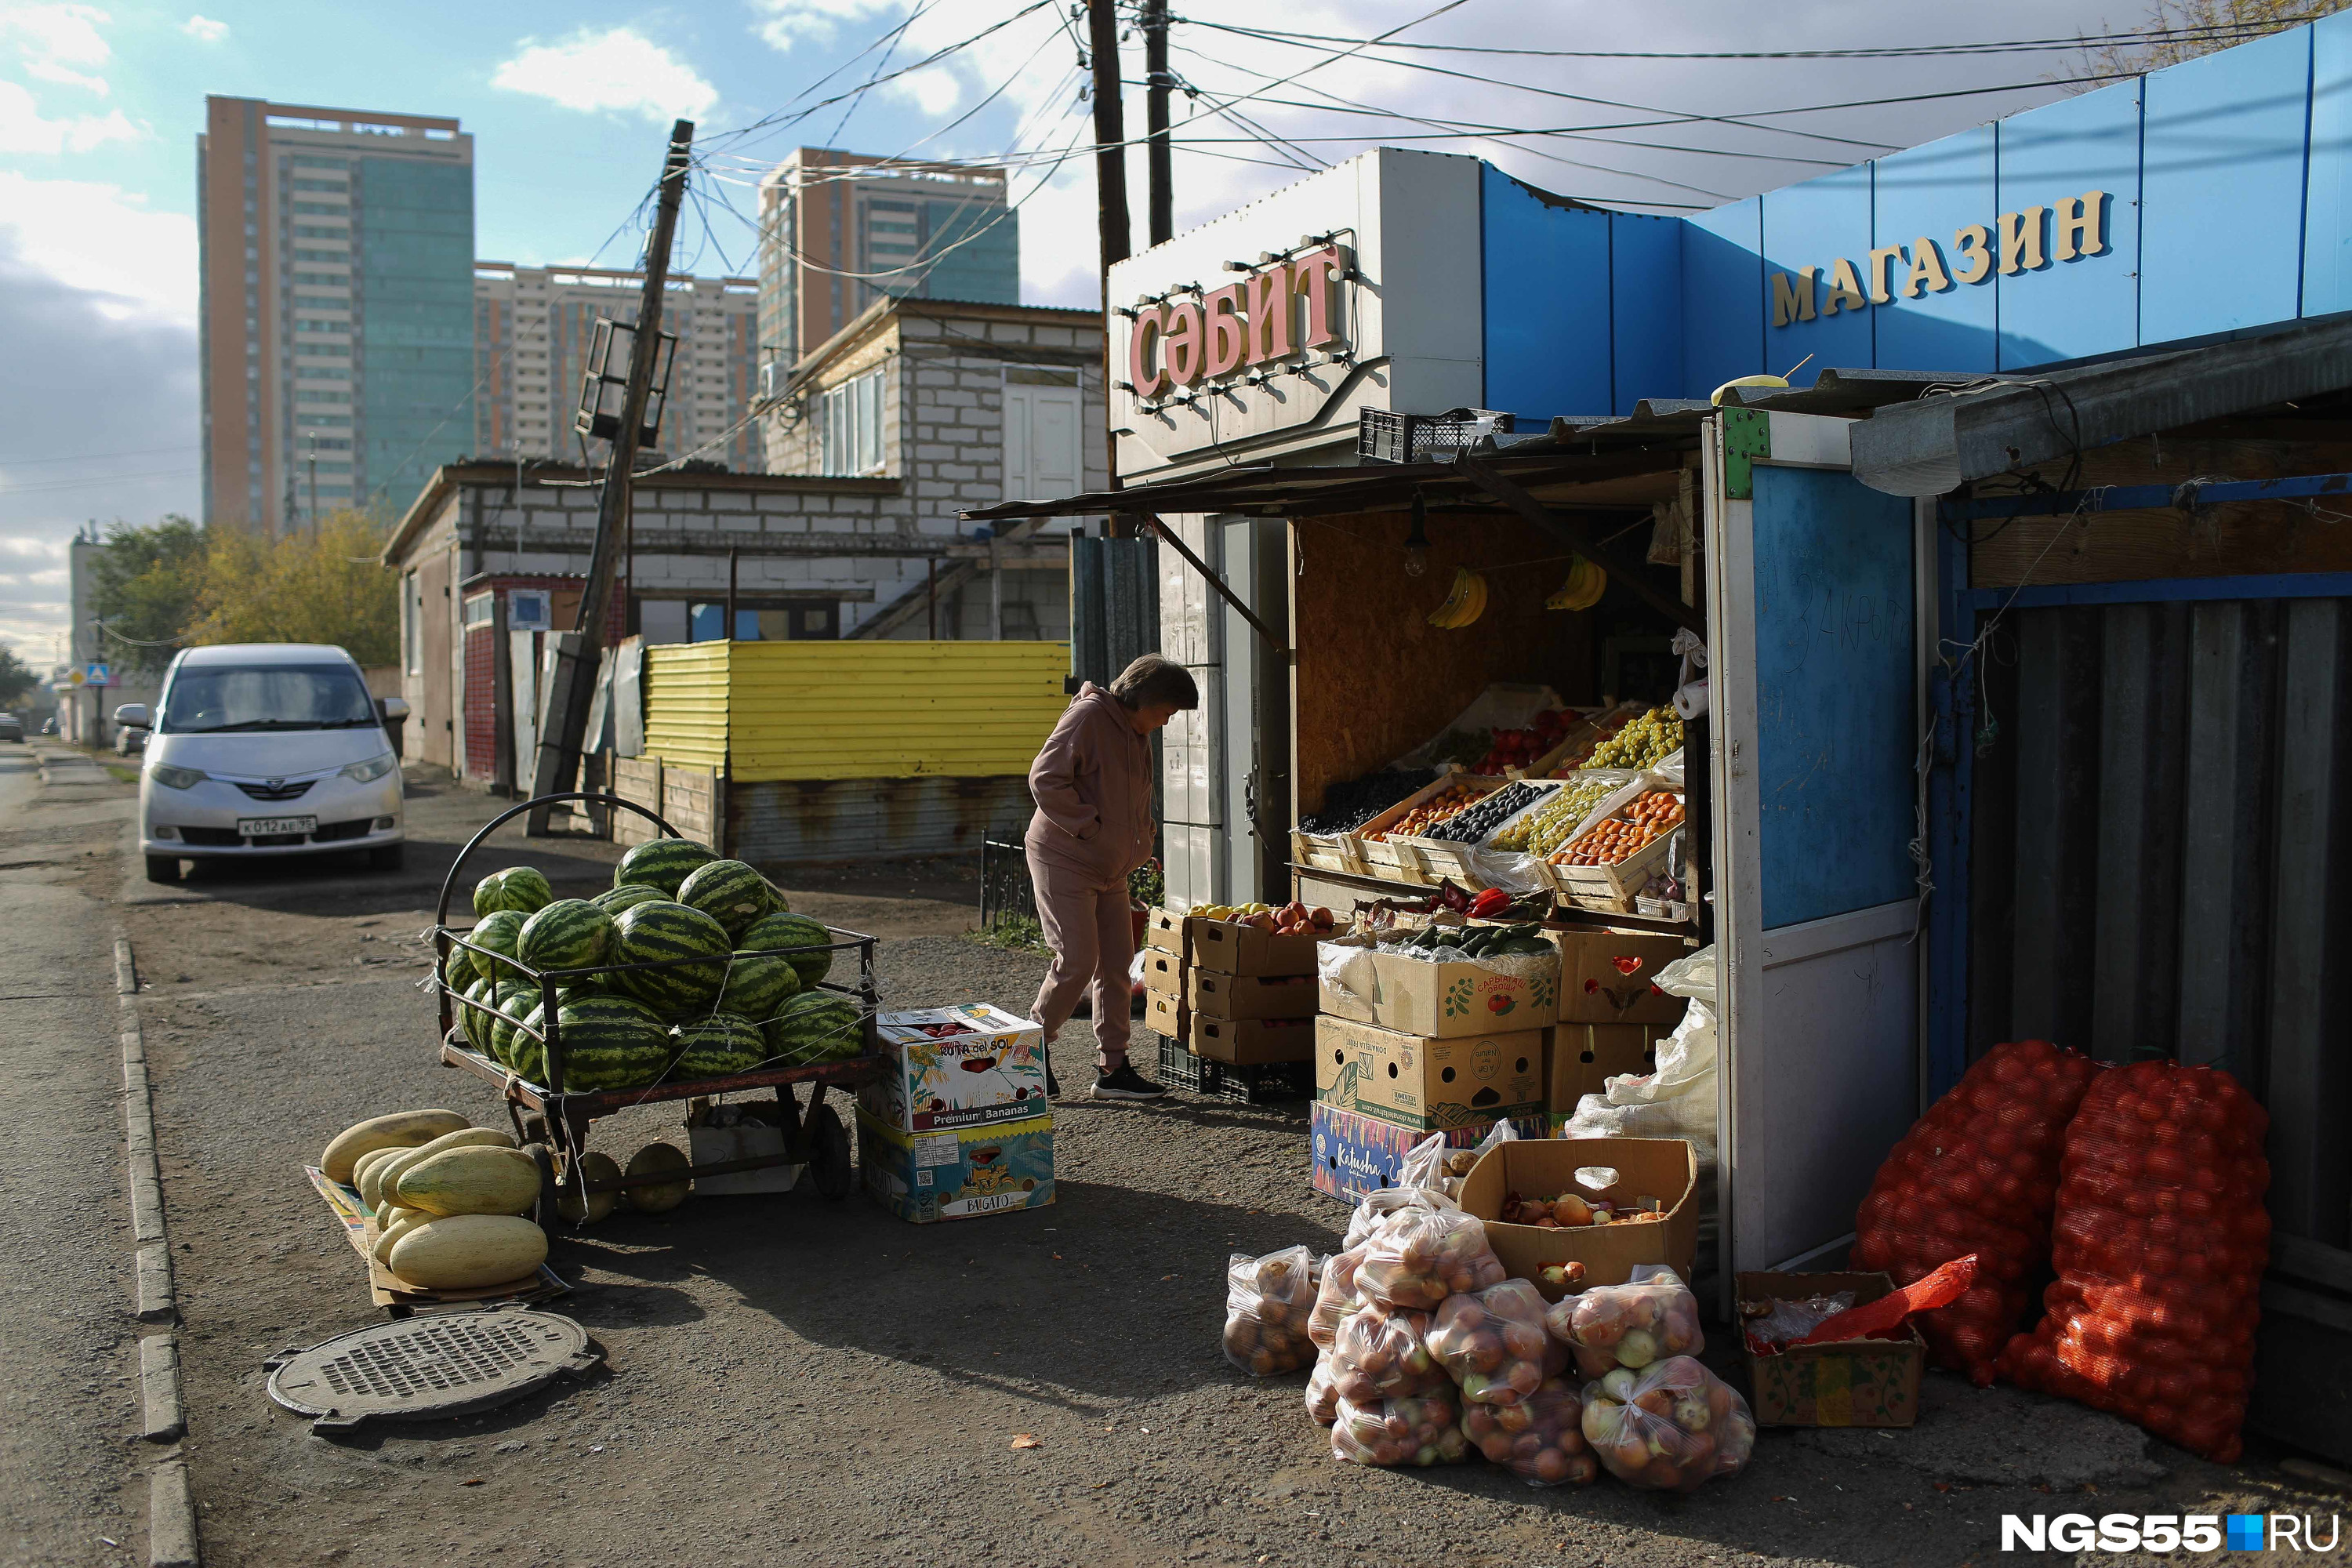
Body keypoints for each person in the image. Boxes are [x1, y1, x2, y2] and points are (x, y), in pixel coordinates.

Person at [1025, 653, 1197, 1101]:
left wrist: (1138, 846)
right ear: (1145, 700)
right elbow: (1045, 779)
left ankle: (1113, 1069)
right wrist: (1091, 830)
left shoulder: (1133, 731)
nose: (1165, 722)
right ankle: (1029, 1054)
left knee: (1117, 964)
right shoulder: (1088, 718)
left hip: (1109, 868)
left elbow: (1129, 799)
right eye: (1166, 713)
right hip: (1065, 856)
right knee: (1077, 959)